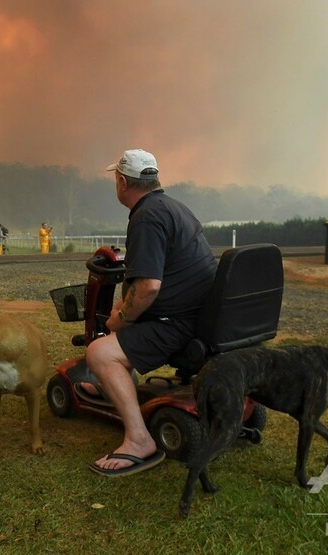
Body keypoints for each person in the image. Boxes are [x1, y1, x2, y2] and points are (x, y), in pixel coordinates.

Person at [84, 149, 218, 477]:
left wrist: (122, 319)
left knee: (99, 353)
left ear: (122, 182)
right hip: (202, 314)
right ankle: (113, 386)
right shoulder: (173, 207)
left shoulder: (146, 217)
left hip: (180, 324)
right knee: (122, 319)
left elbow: (148, 287)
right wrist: (125, 310)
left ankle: (139, 440)